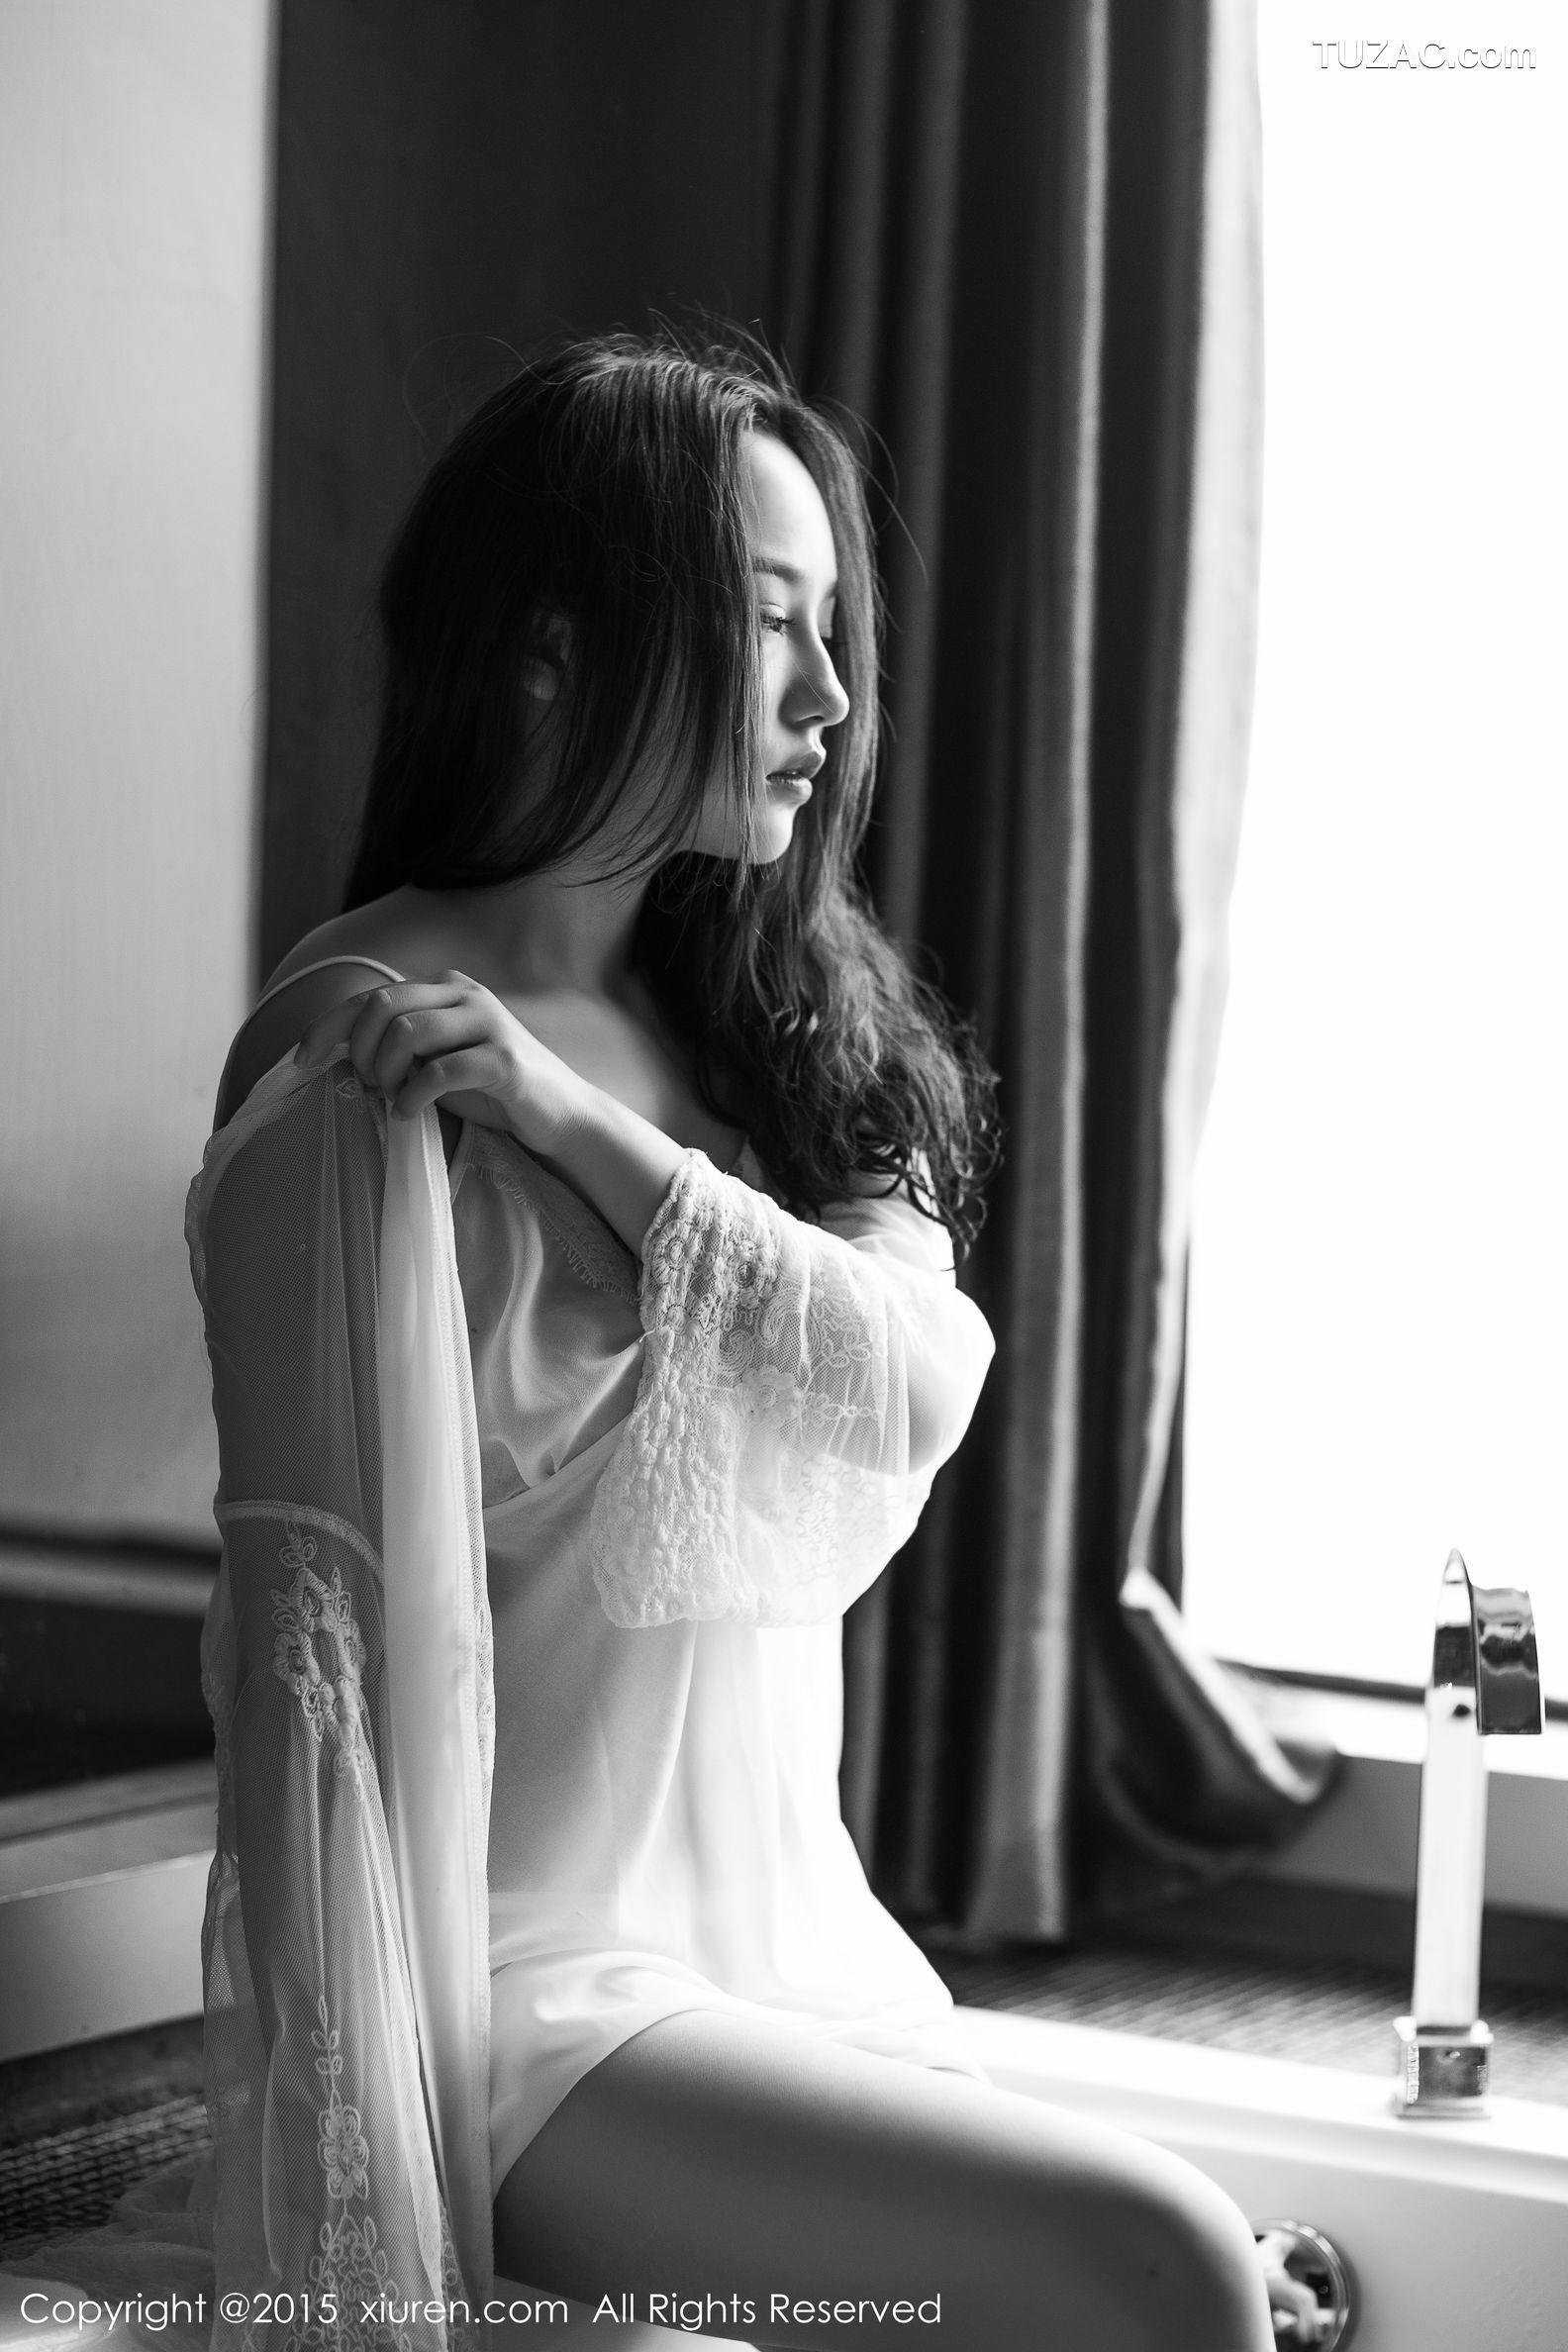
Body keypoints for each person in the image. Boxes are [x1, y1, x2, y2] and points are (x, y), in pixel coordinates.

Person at [194, 331, 1273, 2352]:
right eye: (773, 620)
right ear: (549, 649)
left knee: (1196, 2264)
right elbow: (314, 1687)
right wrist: (358, 2224)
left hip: (798, 1968)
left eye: (832, 627)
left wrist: (579, 1126)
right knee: (1176, 2264)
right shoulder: (355, 1053)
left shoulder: (778, 1023)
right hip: (524, 2014)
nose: (829, 697)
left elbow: (908, 1385)